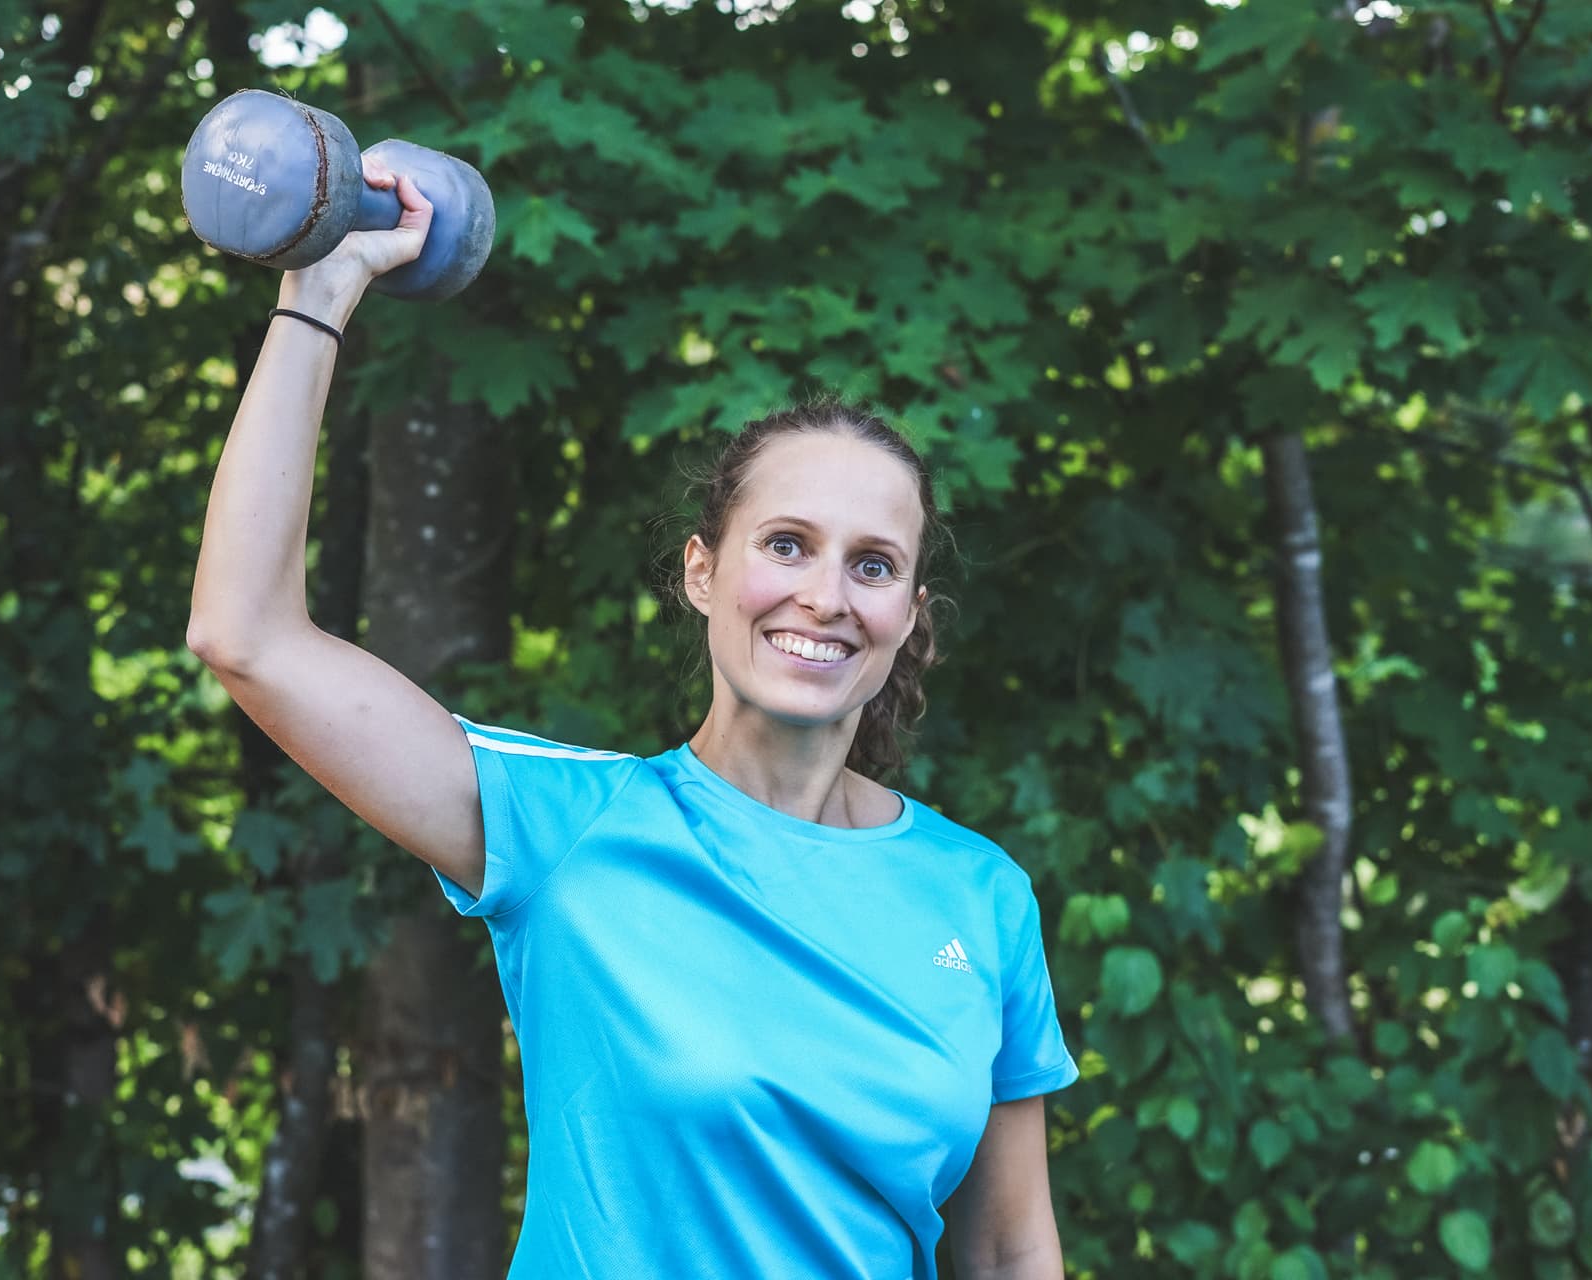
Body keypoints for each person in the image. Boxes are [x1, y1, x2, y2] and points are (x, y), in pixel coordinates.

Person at [187, 155, 1080, 1280]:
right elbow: (247, 636)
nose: (825, 595)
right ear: (703, 572)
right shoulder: (571, 827)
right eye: (787, 544)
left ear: (908, 614)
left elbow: (1005, 1248)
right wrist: (316, 294)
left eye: (873, 563)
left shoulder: (978, 892)